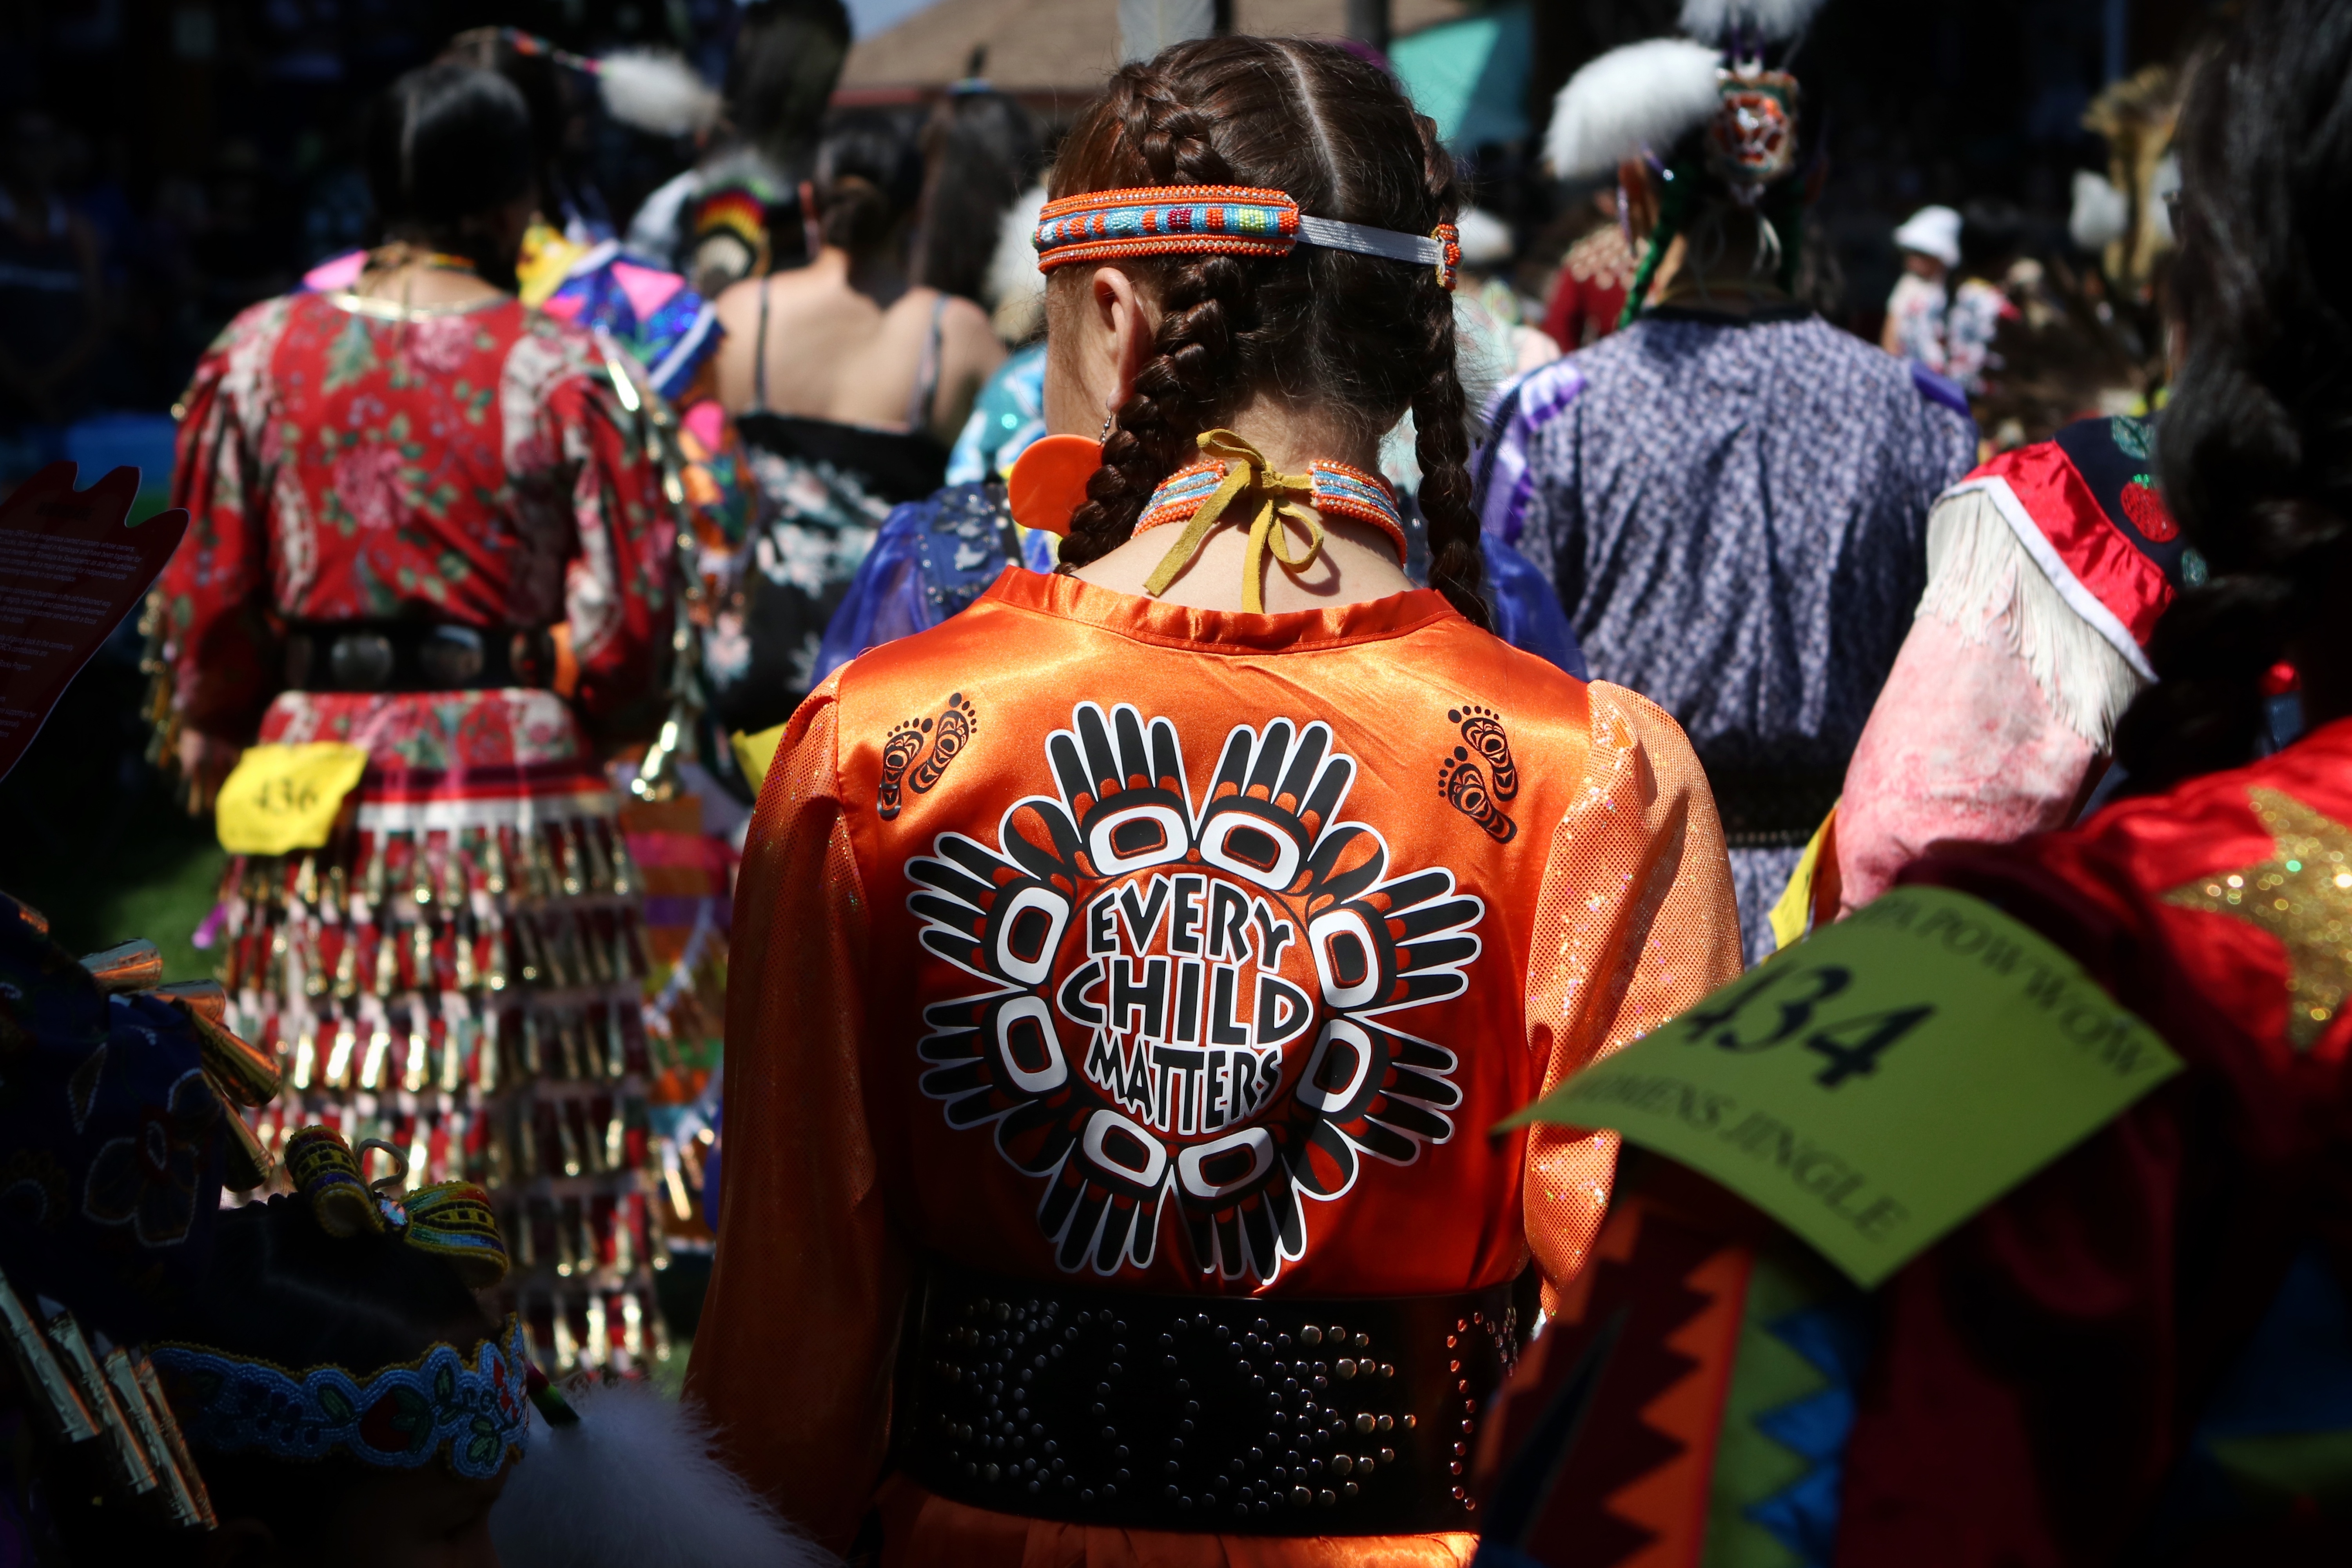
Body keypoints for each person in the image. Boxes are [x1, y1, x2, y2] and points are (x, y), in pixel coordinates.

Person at [687, 35, 1743, 1566]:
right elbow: (1658, 1349)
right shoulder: (1583, 774)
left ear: (1111, 317)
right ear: (1404, 336)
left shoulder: (882, 750)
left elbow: (790, 1328)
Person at [1471, 3, 2352, 1557]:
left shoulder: (1561, 413)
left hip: (1675, 914)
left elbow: (1539, 689)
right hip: (1802, 876)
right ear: (1802, 197)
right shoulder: (1913, 412)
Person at [154, 65, 674, 1381]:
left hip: (318, 783)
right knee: (522, 1144)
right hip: (522, 794)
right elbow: (628, 629)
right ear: (518, 201)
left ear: (380, 189)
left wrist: (212, 735)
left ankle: (329, 1413)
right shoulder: (569, 367)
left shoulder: (257, 354)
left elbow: (211, 597)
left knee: (333, 1109)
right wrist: (600, 716)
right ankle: (545, 1453)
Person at [1480, 9, 1978, 964]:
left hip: (1628, 917)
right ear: (1816, 180)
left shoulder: (1554, 415)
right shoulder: (1927, 415)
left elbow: (1498, 697)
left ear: (1632, 186)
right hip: (1854, 921)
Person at [704, 109, 1003, 738]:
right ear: (917, 209)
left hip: (754, 643)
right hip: (887, 654)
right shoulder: (958, 334)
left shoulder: (740, 314)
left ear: (810, 200)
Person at [1881, 203, 1959, 372]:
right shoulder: (1909, 284)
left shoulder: (1959, 289)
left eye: (1921, 253)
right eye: (1910, 251)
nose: (1912, 260)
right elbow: (1891, 335)